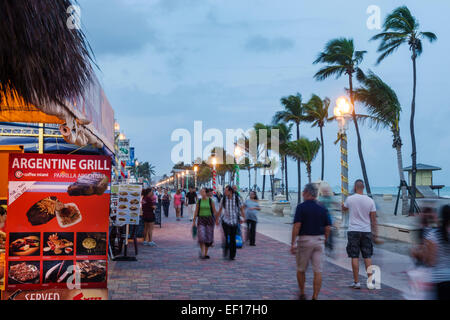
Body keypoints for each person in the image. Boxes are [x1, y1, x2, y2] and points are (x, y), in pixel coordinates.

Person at [290, 183, 331, 300]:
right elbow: (328, 227)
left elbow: (297, 226)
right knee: (318, 271)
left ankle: (302, 292)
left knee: (301, 269)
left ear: (307, 193)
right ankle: (315, 296)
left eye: (303, 191)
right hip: (319, 240)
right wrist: (324, 240)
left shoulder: (301, 207)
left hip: (305, 241)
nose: (302, 193)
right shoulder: (322, 208)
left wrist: (293, 243)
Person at [342, 179, 379, 289]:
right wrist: (375, 233)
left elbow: (343, 209)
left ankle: (357, 282)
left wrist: (344, 203)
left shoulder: (350, 199)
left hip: (353, 231)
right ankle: (370, 282)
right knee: (367, 256)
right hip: (366, 231)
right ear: (363, 187)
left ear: (354, 187)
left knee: (354, 256)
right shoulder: (370, 201)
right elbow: (373, 219)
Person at [217, 185, 245, 261]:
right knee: (226, 237)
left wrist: (243, 217)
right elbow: (220, 209)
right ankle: (226, 250)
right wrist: (217, 219)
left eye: (226, 191)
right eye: (224, 191)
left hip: (234, 221)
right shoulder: (223, 199)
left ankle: (232, 255)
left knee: (233, 238)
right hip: (225, 221)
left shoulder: (237, 198)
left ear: (230, 191)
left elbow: (241, 208)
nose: (225, 192)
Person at [192, 188, 218, 259]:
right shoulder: (199, 201)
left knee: (208, 238)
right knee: (201, 236)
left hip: (209, 220)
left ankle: (205, 253)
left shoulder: (210, 201)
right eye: (201, 192)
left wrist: (217, 219)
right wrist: (194, 221)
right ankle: (202, 252)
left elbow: (214, 211)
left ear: (206, 193)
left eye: (203, 192)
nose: (202, 193)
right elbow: (196, 211)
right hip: (201, 220)